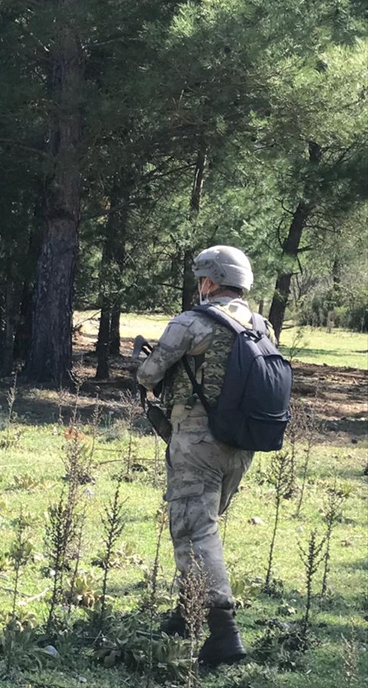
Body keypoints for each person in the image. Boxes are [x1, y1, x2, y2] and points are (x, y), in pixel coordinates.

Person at [136, 245, 263, 669]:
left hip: (196, 440)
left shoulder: (193, 322)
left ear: (209, 282)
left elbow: (148, 373)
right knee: (202, 526)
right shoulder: (260, 325)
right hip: (241, 444)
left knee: (194, 531)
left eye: (199, 279)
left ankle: (224, 635)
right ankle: (186, 613)